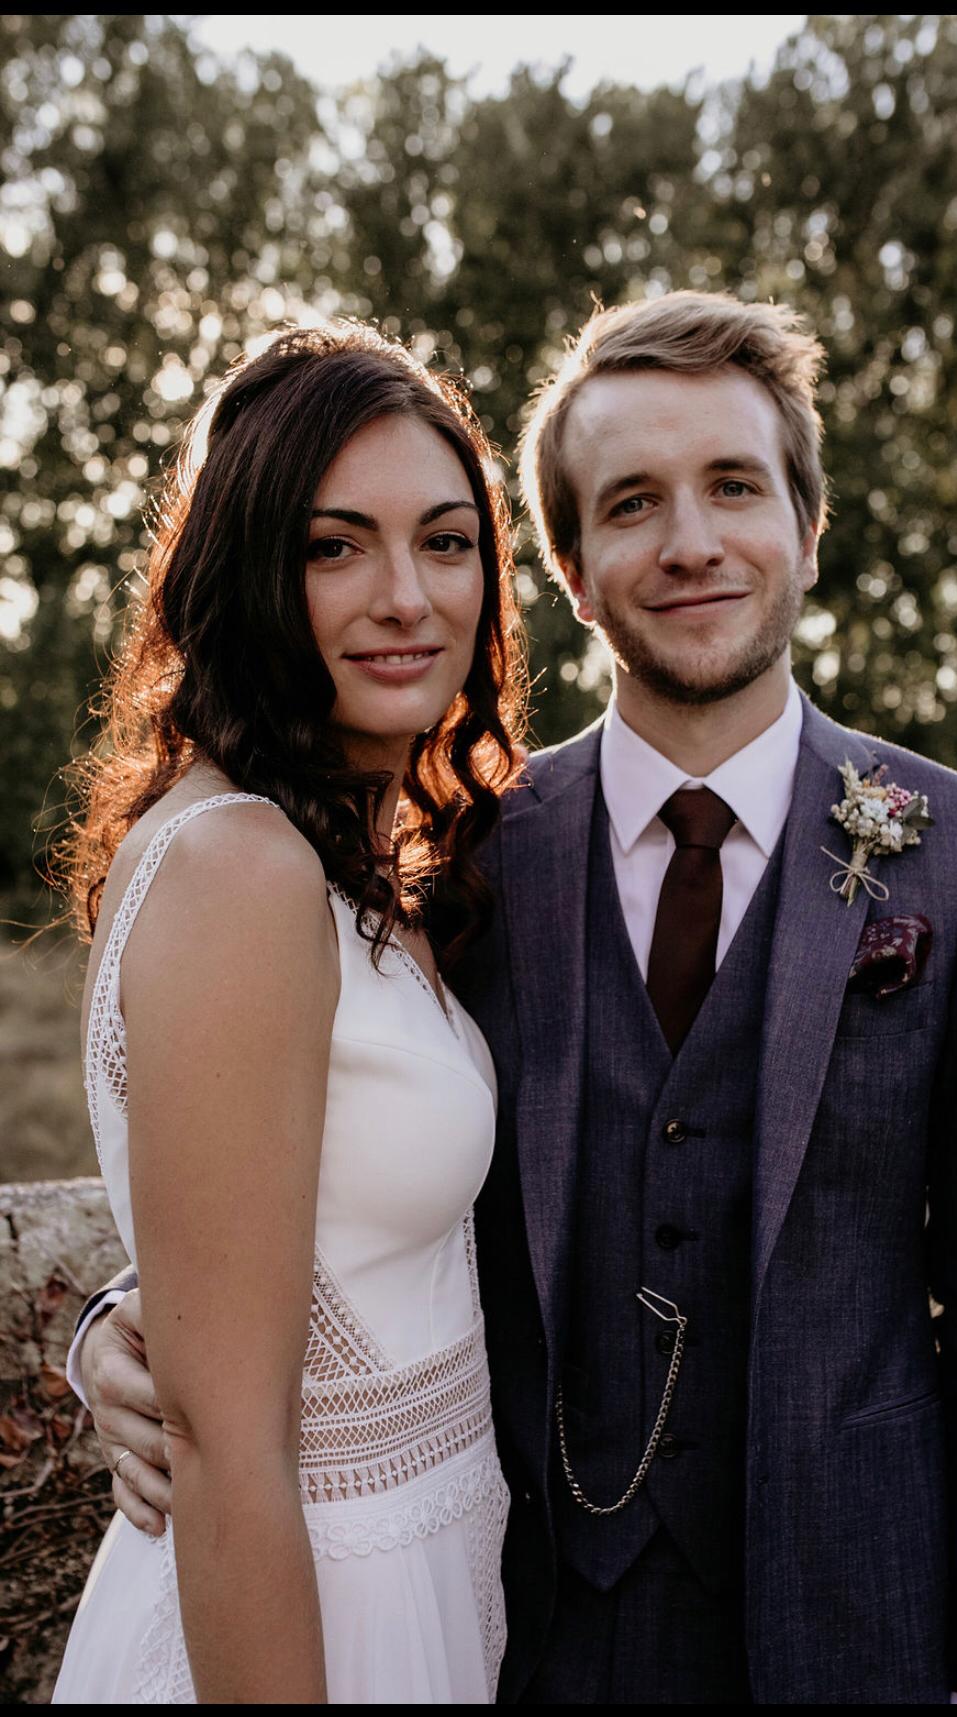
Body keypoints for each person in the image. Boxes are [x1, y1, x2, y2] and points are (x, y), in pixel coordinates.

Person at [73, 292, 957, 1704]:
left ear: (808, 525)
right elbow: (295, 1152)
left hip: (860, 1630)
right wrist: (129, 1323)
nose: (689, 541)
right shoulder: (456, 855)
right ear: (567, 564)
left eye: (733, 485)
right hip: (532, 1631)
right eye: (629, 503)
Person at [51, 321, 525, 1703]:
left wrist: (115, 1322)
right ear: (249, 570)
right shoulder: (242, 864)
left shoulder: (358, 865)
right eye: (335, 547)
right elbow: (227, 1438)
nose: (405, 596)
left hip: (421, 1565)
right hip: (305, 1605)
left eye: (445, 542)